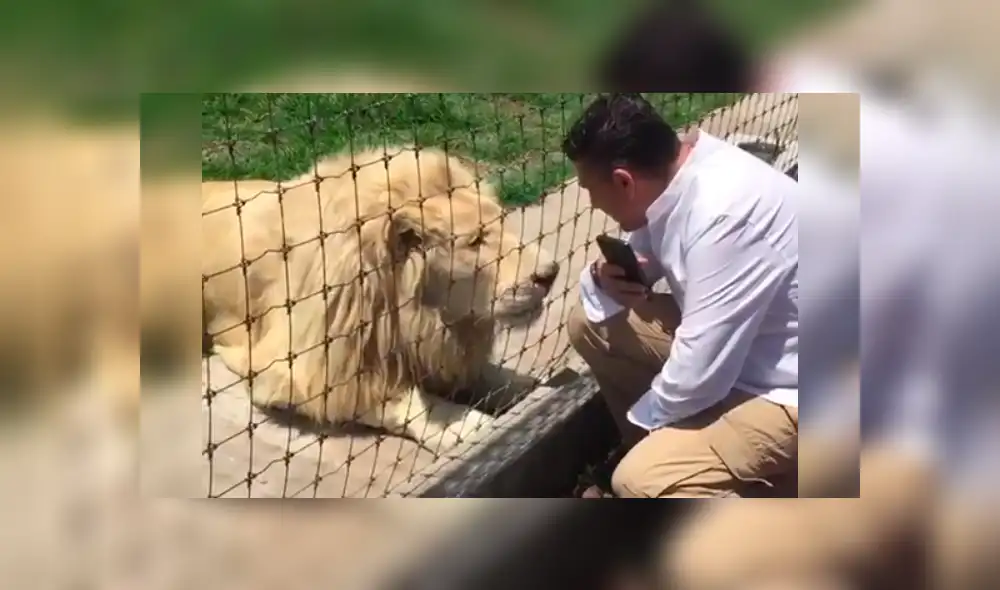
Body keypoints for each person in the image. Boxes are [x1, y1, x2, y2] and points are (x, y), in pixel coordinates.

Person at [564, 93, 799, 498]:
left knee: (639, 481)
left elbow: (699, 374)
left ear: (624, 181)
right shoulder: (689, 172)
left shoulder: (721, 216)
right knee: (590, 324)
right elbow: (651, 251)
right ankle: (679, 461)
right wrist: (606, 277)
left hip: (795, 392)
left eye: (589, 189)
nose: (591, 201)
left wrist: (646, 424)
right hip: (751, 355)